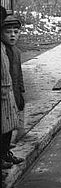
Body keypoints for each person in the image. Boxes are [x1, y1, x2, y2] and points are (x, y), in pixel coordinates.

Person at [1, 15, 24, 169]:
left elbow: (19, 74)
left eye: (16, 32)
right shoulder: (2, 51)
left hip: (13, 93)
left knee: (9, 127)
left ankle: (6, 152)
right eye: (8, 32)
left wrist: (21, 92)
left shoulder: (16, 52)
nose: (12, 35)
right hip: (3, 94)